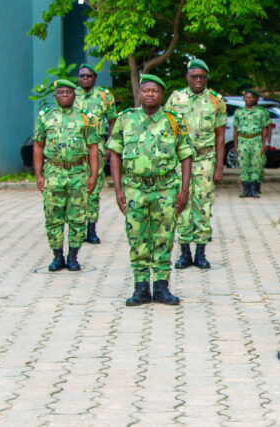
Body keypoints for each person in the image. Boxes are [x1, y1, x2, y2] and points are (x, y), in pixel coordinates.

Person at [107, 74, 194, 307]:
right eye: (146, 90)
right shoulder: (125, 119)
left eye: (155, 91)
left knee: (164, 238)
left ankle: (162, 288)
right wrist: (118, 190)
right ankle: (141, 288)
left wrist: (184, 190)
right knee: (137, 238)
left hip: (166, 188)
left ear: (161, 95)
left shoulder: (174, 121)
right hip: (135, 188)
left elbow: (186, 155)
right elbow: (114, 154)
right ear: (140, 93)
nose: (150, 94)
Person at [32, 79, 101, 272]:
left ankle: (73, 256)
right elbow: (38, 145)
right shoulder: (46, 116)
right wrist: (38, 173)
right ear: (55, 95)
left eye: (68, 92)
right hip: (53, 172)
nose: (64, 95)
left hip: (78, 172)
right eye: (61, 92)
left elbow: (93, 147)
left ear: (74, 95)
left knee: (78, 216)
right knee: (53, 216)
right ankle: (56, 256)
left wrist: (93, 174)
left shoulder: (86, 118)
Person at [166, 59, 227, 270]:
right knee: (181, 204)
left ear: (206, 78)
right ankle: (184, 253)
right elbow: (166, 130)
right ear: (187, 77)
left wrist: (219, 167)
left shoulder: (216, 101)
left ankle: (201, 253)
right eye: (194, 76)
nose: (198, 80)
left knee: (203, 205)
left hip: (205, 160)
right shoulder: (175, 98)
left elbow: (220, 136)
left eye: (202, 76)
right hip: (180, 161)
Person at [74, 63, 117, 244]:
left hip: (97, 148)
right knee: (76, 188)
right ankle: (77, 228)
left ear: (95, 78)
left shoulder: (104, 96)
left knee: (93, 188)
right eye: (82, 76)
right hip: (75, 149)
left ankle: (91, 229)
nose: (85, 79)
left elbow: (113, 120)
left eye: (88, 76)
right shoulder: (71, 94)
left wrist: (109, 145)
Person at [234, 89, 272, 198]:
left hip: (256, 140)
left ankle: (254, 189)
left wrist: (266, 143)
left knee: (257, 164)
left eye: (251, 97)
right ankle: (245, 189)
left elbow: (265, 128)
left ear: (255, 99)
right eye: (246, 97)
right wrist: (236, 146)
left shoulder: (261, 112)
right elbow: (235, 130)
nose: (249, 99)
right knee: (244, 164)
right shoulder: (239, 112)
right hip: (243, 140)